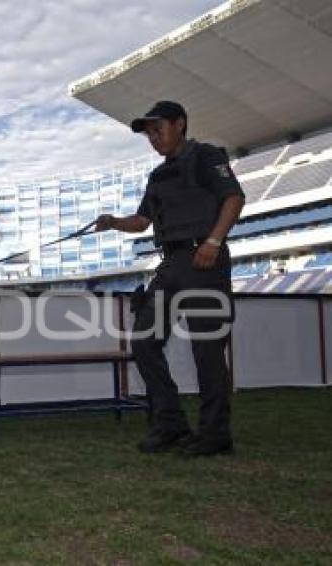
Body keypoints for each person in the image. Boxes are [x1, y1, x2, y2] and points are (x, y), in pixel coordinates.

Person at [96, 100, 245, 457]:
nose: (152, 137)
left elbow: (234, 198)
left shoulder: (206, 156)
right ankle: (171, 425)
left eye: (157, 128)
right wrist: (114, 222)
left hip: (204, 258)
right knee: (145, 341)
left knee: (207, 348)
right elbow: (143, 222)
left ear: (180, 124)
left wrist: (213, 241)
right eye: (148, 132)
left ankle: (214, 434)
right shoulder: (157, 176)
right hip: (171, 263)